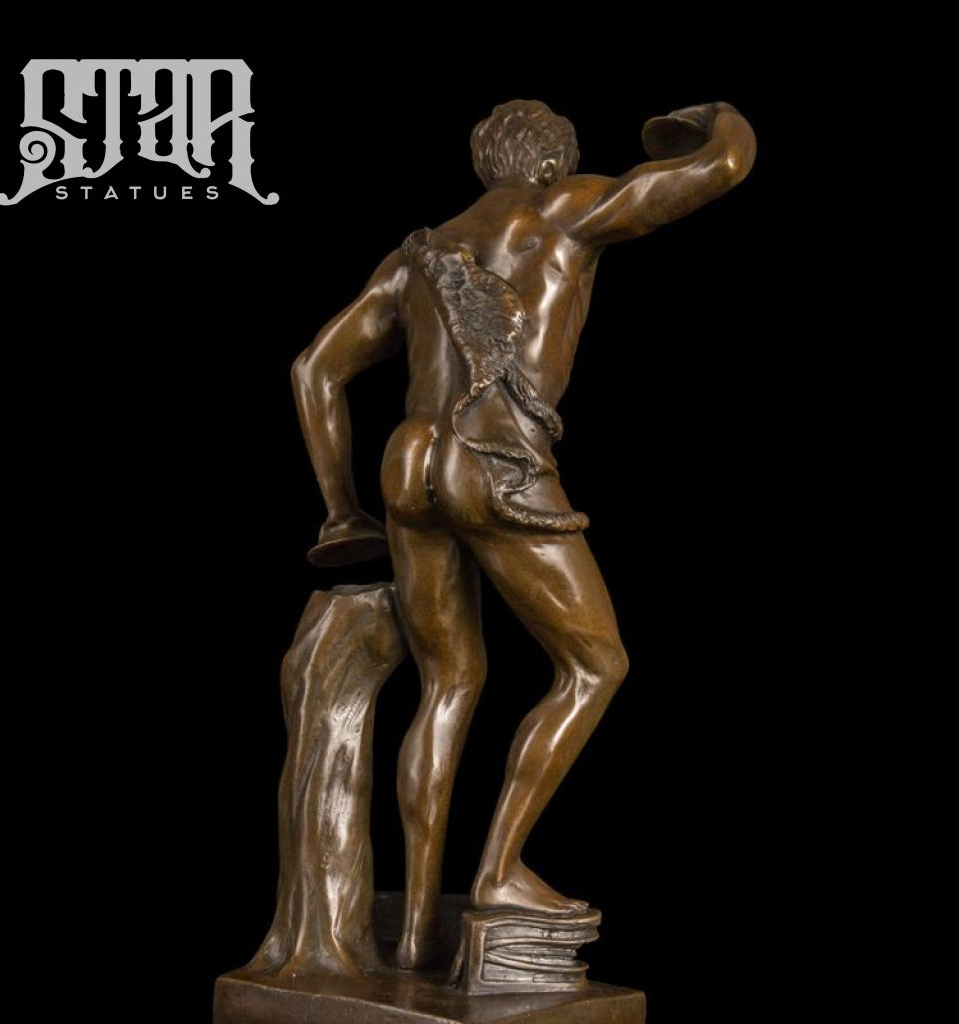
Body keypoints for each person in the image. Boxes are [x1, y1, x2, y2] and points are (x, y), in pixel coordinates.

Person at [292, 98, 756, 969]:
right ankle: (499, 871)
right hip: (495, 458)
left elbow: (314, 369)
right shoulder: (562, 209)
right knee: (595, 665)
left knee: (448, 683)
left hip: (407, 463)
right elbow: (721, 166)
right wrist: (716, 117)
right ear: (550, 163)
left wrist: (341, 508)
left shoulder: (417, 254)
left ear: (485, 163)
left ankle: (418, 929)